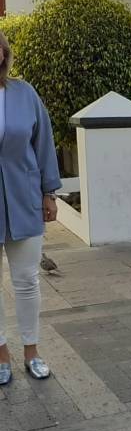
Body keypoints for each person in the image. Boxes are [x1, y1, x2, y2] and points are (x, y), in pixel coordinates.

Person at [0, 30, 61, 384]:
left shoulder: (25, 94)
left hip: (24, 198)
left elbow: (44, 142)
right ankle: (1, 354)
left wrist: (49, 192)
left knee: (26, 280)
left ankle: (31, 351)